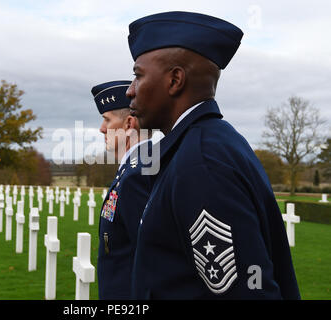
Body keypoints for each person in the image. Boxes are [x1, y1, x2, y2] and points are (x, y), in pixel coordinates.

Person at [125, 11, 301, 299]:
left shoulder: (201, 162)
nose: (130, 91)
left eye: (137, 75)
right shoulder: (207, 144)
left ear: (175, 80)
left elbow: (247, 291)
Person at [91, 80, 153, 299]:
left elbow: (149, 258)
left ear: (129, 124)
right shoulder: (135, 168)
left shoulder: (137, 175)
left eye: (107, 120)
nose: (101, 129)